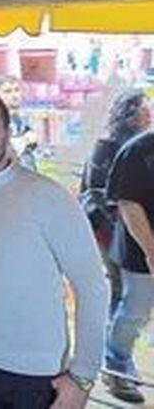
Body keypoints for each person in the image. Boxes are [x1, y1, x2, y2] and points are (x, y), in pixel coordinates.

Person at [0, 88, 106, 409]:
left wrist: (83, 376)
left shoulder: (48, 197)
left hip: (33, 374)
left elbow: (92, 287)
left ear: (7, 131)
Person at [101, 92, 154, 404]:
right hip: (139, 248)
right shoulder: (139, 150)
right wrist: (151, 250)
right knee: (135, 309)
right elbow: (127, 202)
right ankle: (117, 363)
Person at [83, 89, 151, 326]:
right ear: (128, 114)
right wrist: (122, 214)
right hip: (107, 227)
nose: (150, 116)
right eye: (145, 111)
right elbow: (95, 190)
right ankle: (110, 340)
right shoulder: (109, 144)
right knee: (118, 284)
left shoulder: (144, 145)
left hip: (128, 227)